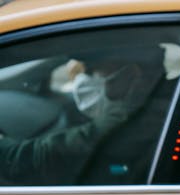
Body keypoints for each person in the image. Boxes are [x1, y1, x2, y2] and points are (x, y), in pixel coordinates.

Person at [0, 49, 164, 186]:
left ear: (132, 73)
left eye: (91, 70)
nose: (82, 78)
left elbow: (33, 159)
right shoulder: (160, 102)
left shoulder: (128, 121)